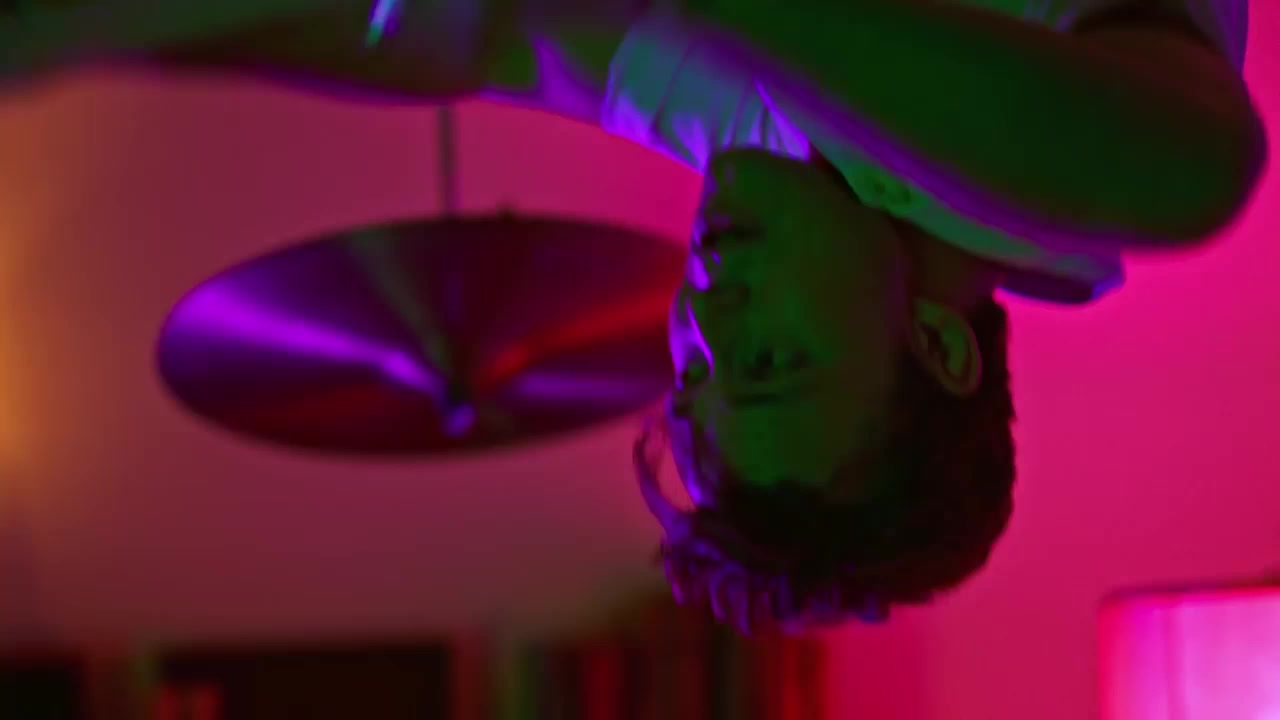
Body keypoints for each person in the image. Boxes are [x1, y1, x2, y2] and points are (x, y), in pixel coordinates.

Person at [4, 0, 1267, 633]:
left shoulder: (757, 148)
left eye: (697, 369)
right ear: (934, 346)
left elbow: (462, 38)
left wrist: (103, 31)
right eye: (768, 358)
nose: (706, 311)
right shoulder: (1069, 193)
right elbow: (1193, 172)